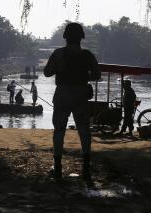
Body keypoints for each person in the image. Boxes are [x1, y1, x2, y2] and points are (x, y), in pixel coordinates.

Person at [44, 23, 101, 181]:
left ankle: (57, 169)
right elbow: (97, 74)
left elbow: (47, 72)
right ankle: (86, 170)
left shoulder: (58, 54)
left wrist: (60, 69)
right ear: (81, 37)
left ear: (65, 37)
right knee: (84, 131)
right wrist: (83, 77)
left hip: (62, 94)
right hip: (81, 94)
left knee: (59, 131)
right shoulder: (87, 55)